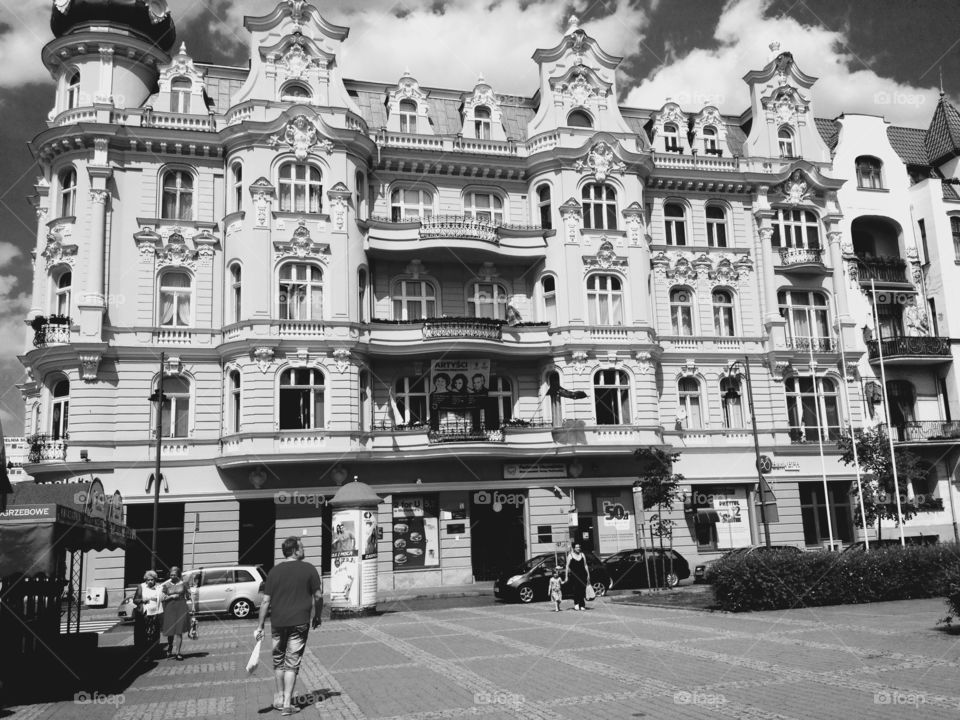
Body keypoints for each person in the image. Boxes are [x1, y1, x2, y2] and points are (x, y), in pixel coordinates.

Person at [255, 537, 323, 716]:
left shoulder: (274, 571)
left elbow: (265, 601)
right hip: (299, 622)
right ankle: (287, 704)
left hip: (278, 623)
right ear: (294, 550)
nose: (304, 550)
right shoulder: (309, 569)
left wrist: (260, 626)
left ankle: (279, 699)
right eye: (302, 547)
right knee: (292, 662)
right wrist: (317, 615)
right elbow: (318, 596)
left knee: (279, 661)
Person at [161, 566, 191, 660]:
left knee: (179, 631)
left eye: (174, 575)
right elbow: (162, 598)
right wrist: (171, 596)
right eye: (171, 575)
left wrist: (189, 595)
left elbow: (189, 596)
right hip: (170, 608)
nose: (172, 576)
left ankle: (178, 652)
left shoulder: (184, 584)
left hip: (181, 607)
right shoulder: (166, 585)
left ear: (178, 575)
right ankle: (170, 646)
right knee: (171, 631)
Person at [133, 570, 164, 659]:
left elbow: (163, 598)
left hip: (155, 614)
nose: (150, 581)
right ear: (145, 580)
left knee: (154, 635)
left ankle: (154, 653)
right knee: (145, 635)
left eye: (152, 579)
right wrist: (142, 600)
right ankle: (145, 654)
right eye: (148, 580)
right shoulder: (141, 587)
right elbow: (135, 600)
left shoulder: (159, 587)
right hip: (145, 615)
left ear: (155, 580)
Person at [565, 543, 591, 611]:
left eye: (579, 547)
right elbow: (567, 566)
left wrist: (588, 574)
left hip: (583, 575)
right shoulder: (570, 555)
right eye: (577, 547)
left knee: (582, 590)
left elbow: (585, 565)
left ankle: (582, 604)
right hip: (574, 576)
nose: (578, 548)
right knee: (576, 590)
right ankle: (576, 603)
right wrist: (566, 576)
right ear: (574, 548)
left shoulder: (582, 555)